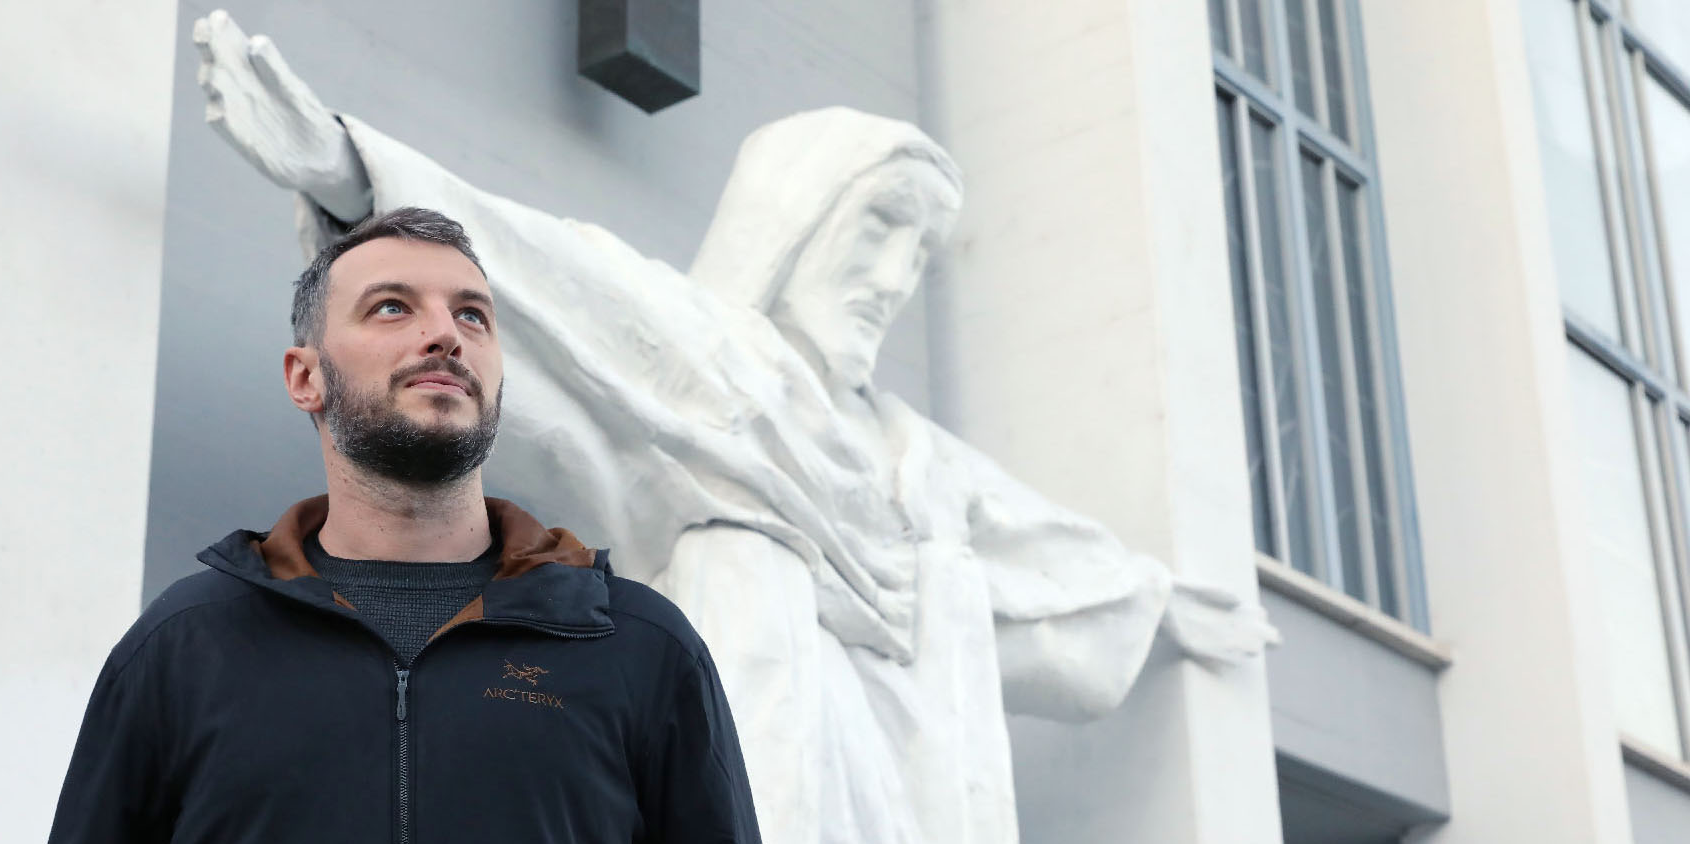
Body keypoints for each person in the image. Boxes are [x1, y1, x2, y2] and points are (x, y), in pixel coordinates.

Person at [190, 10, 1275, 843]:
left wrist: (1164, 604)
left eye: (917, 256)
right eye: (881, 231)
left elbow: (1045, 563)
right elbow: (553, 284)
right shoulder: (707, 366)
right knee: (742, 555)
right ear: (800, 224)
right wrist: (343, 165)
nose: (891, 279)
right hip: (759, 755)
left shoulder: (912, 461)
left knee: (925, 570)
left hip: (908, 795)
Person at [46, 206, 761, 843]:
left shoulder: (641, 646)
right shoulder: (183, 646)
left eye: (472, 315)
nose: (445, 334)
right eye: (392, 308)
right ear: (305, 377)